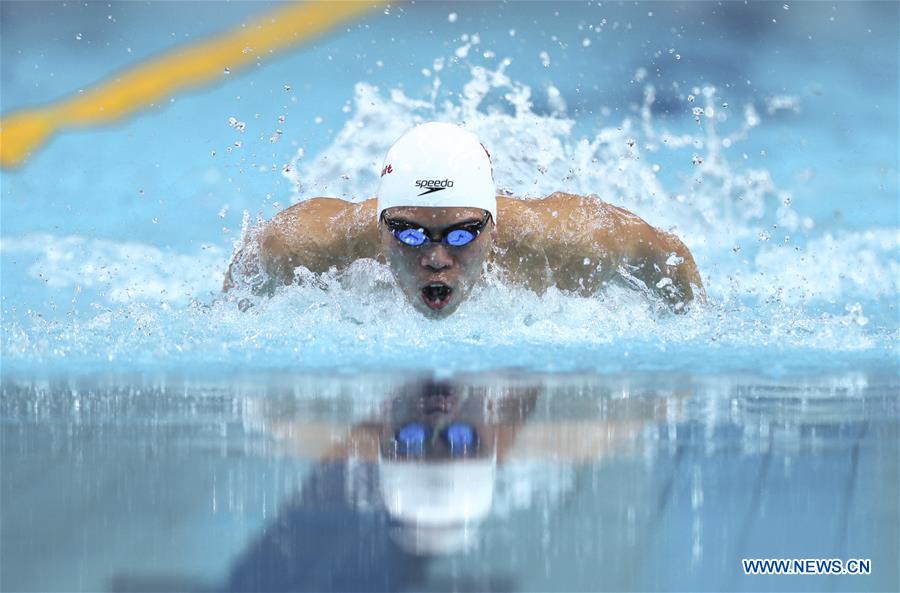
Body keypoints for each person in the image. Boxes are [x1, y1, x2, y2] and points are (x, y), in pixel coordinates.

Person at [224, 122, 704, 317]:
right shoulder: (305, 245)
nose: (436, 258)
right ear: (379, 225)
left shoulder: (568, 241)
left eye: (461, 234)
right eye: (409, 233)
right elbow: (242, 280)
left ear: (493, 226)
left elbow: (670, 256)